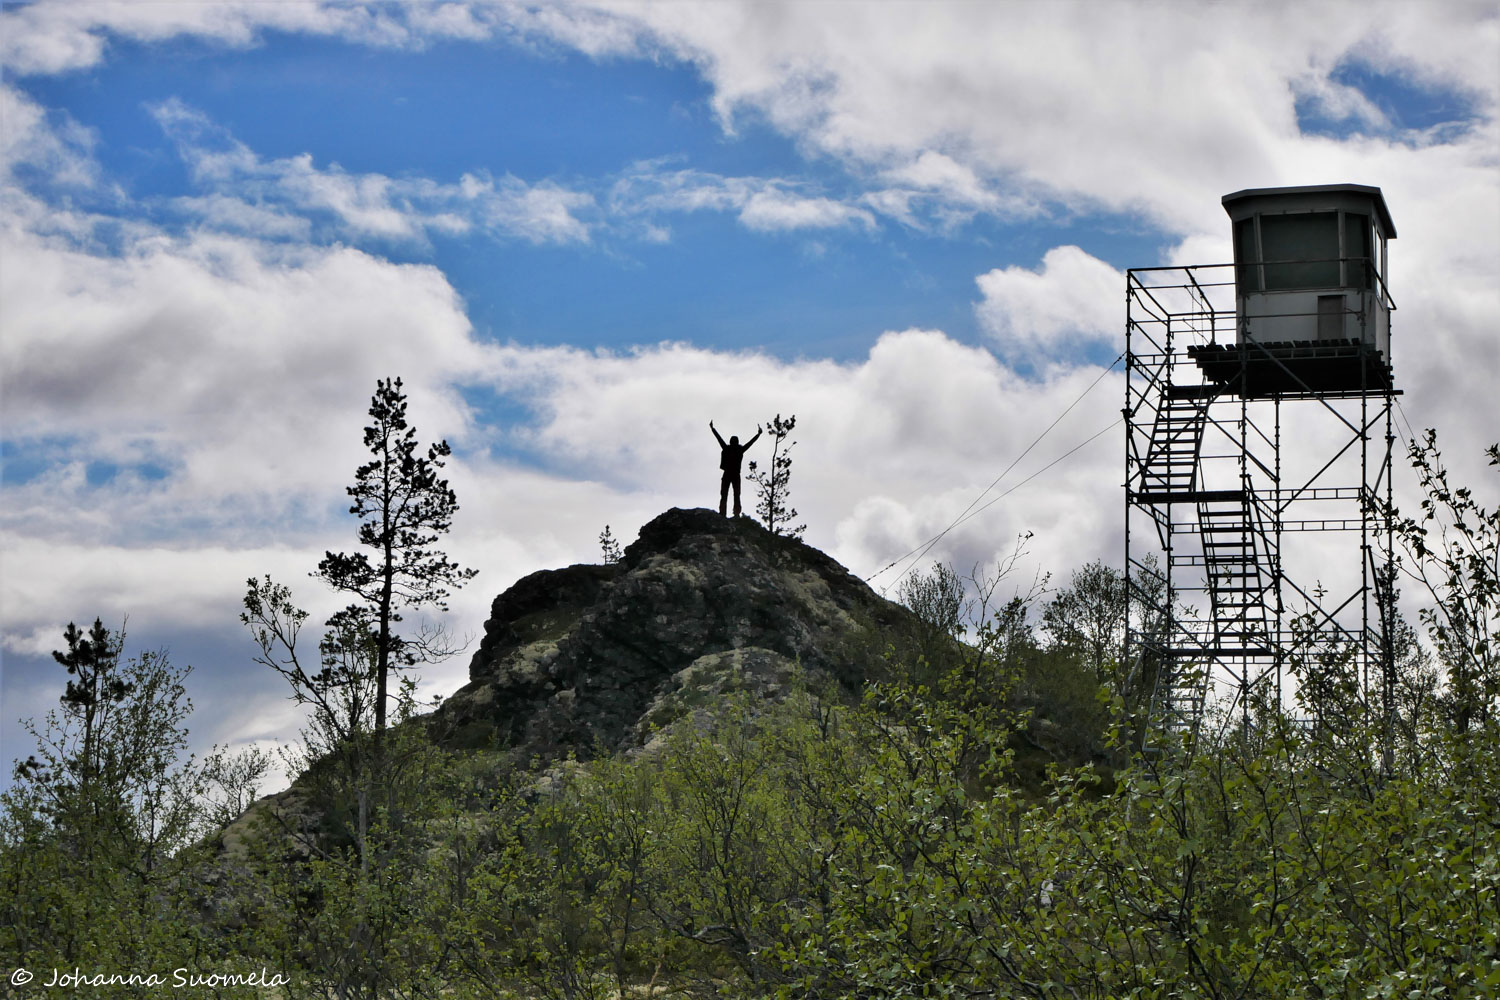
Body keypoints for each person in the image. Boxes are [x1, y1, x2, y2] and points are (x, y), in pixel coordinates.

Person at [710, 419, 761, 517]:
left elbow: (719, 438)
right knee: (736, 495)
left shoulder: (727, 448)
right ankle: (736, 514)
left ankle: (723, 514)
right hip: (735, 475)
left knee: (725, 494)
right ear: (737, 442)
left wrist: (713, 429)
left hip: (727, 473)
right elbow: (750, 443)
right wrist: (758, 435)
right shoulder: (740, 449)